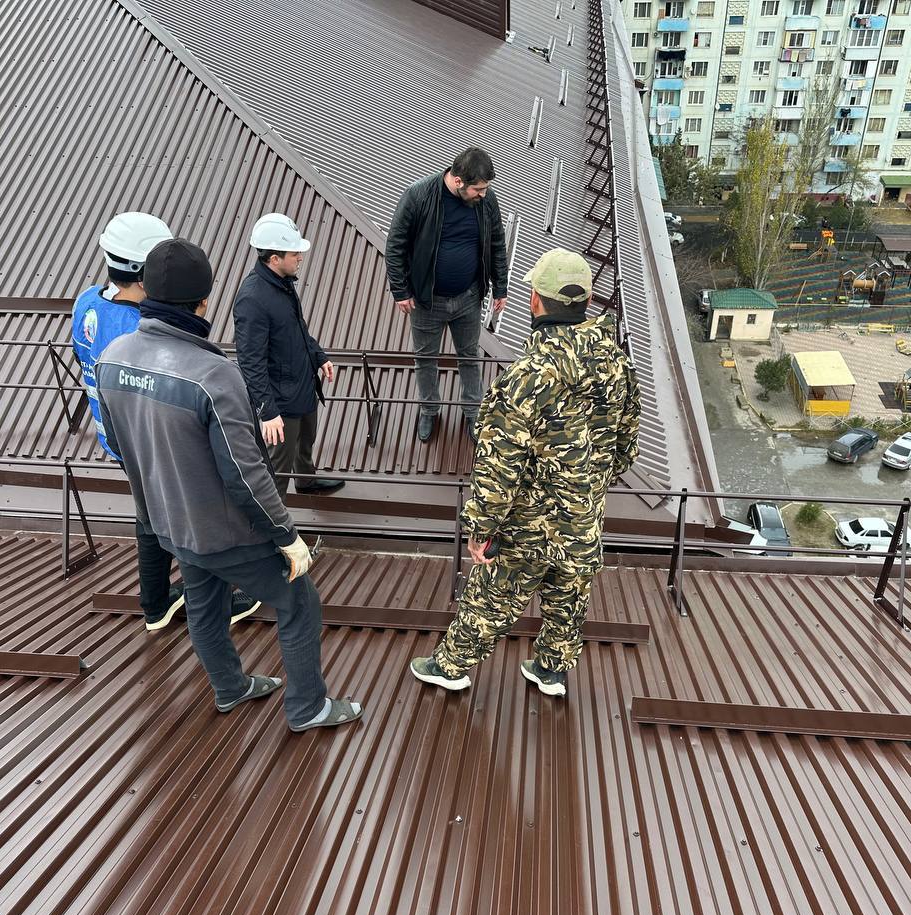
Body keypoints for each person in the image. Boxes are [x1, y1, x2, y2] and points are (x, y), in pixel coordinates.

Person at [96, 238, 363, 730]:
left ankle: (231, 688)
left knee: (204, 604)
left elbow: (117, 442)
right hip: (224, 531)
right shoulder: (214, 376)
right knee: (299, 601)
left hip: (167, 522)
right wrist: (287, 536)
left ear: (146, 291)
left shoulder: (112, 358)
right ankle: (309, 708)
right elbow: (245, 474)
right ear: (203, 302)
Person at [409, 249, 640, 698]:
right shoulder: (617, 363)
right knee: (568, 598)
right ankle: (550, 671)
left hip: (528, 525)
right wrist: (587, 482)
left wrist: (480, 528)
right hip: (583, 519)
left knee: (492, 597)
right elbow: (626, 448)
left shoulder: (526, 378)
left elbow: (499, 469)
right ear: (586, 301)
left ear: (536, 300)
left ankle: (450, 666)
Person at [71, 212, 258, 630]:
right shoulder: (136, 327)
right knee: (191, 510)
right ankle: (213, 602)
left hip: (118, 434)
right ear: (143, 276)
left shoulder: (86, 302)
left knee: (149, 511)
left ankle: (155, 603)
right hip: (151, 434)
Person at [385, 146, 510, 444]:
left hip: (468, 298)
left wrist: (500, 287)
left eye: (485, 189)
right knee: (425, 358)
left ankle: (473, 412)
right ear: (458, 181)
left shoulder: (486, 200)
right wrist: (400, 291)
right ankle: (429, 409)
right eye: (478, 189)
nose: (483, 194)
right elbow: (395, 246)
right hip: (427, 301)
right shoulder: (418, 196)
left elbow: (496, 243)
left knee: (470, 357)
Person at [233, 213, 343, 499]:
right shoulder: (252, 298)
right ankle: (276, 521)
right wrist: (267, 411)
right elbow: (250, 362)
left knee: (306, 441)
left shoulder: (283, 282)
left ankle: (306, 480)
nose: (300, 258)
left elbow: (297, 328)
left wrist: (319, 356)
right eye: (295, 254)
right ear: (274, 258)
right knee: (277, 469)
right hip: (281, 402)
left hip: (302, 387)